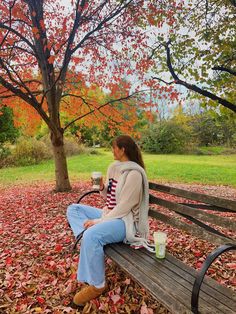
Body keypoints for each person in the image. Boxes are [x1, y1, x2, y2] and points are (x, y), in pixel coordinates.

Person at [67, 135, 151, 307]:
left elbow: (124, 208)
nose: (112, 150)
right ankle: (87, 236)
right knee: (73, 209)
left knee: (92, 235)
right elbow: (110, 199)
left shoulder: (134, 174)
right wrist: (102, 188)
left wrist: (99, 222)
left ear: (123, 150)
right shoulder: (114, 167)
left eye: (114, 147)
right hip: (111, 214)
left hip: (125, 222)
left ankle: (97, 285)